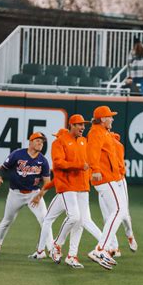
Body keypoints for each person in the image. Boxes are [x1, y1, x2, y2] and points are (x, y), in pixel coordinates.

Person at [30, 115, 102, 269]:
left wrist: (93, 173)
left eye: (84, 125)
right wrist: (78, 165)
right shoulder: (59, 142)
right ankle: (56, 244)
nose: (83, 127)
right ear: (71, 125)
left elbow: (89, 162)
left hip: (83, 186)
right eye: (80, 125)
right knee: (73, 217)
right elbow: (58, 163)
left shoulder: (84, 141)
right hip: (67, 186)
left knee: (80, 222)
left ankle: (72, 255)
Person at [0, 132, 52, 256]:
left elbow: (47, 183)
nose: (41, 143)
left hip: (33, 194)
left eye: (42, 141)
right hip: (15, 194)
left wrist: (39, 196)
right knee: (7, 220)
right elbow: (3, 168)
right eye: (38, 140)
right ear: (30, 142)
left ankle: (51, 249)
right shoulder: (17, 154)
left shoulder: (43, 161)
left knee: (45, 220)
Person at [86, 105, 128, 270]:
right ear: (102, 119)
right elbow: (92, 152)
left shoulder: (103, 132)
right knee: (118, 210)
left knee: (117, 211)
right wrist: (95, 170)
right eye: (110, 116)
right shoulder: (96, 131)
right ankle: (100, 249)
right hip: (104, 177)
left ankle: (104, 248)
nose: (112, 118)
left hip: (110, 177)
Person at [112, 130, 138, 254]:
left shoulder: (118, 146)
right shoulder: (101, 145)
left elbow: (121, 168)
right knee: (109, 216)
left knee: (124, 214)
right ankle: (114, 247)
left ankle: (130, 235)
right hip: (107, 183)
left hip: (119, 181)